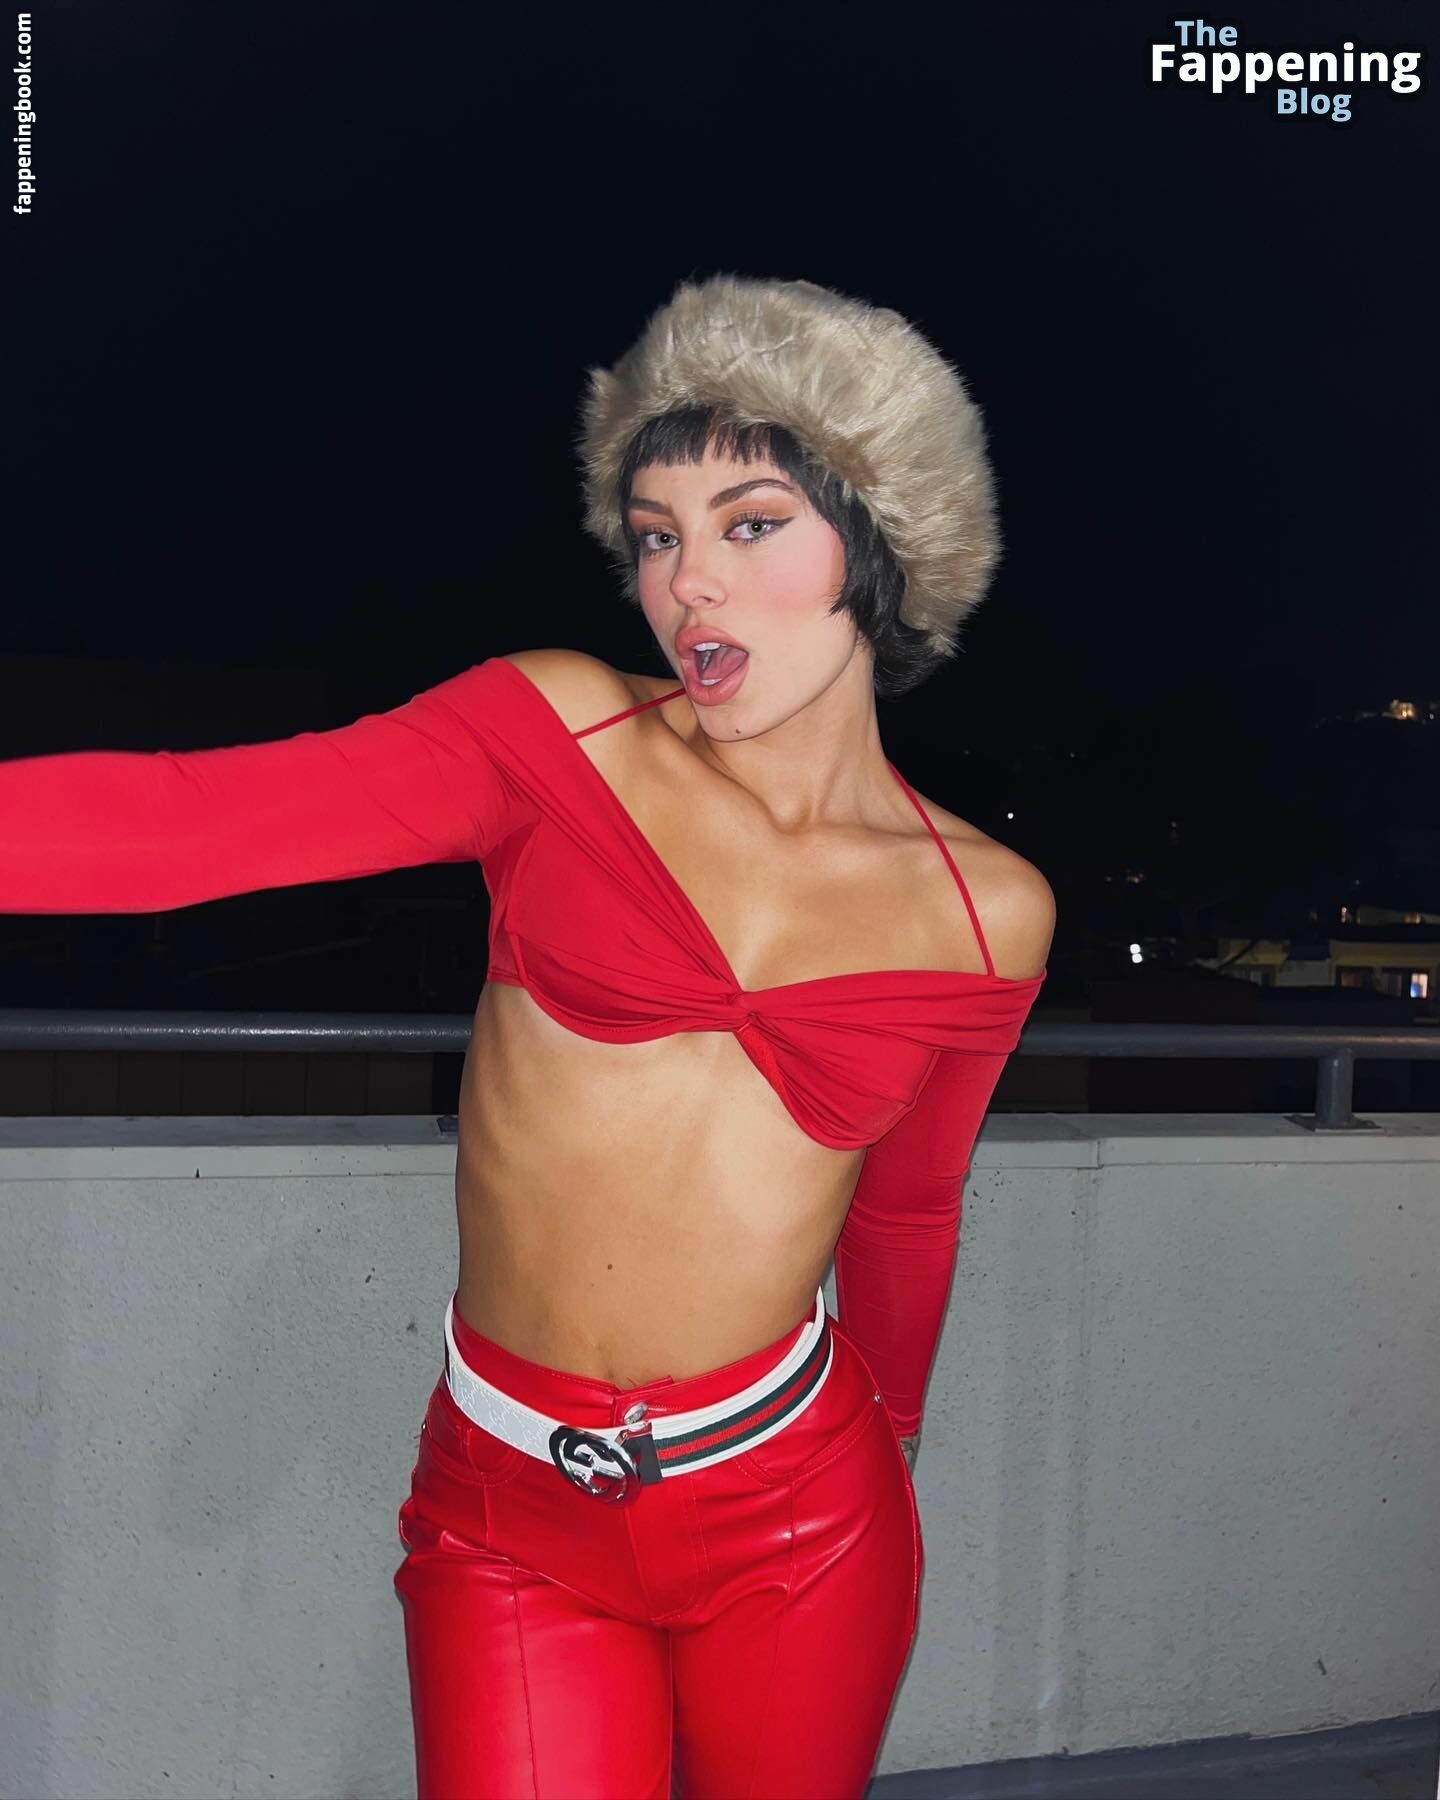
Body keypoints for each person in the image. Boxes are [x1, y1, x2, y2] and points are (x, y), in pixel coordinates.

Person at [0, 272, 1054, 1799]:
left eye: (752, 524)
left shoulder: (987, 910)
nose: (690, 584)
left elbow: (908, 1209)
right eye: (657, 536)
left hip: (803, 1517)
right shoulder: (556, 738)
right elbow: (184, 823)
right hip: (514, 1512)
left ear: (880, 546)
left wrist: (888, 1451)